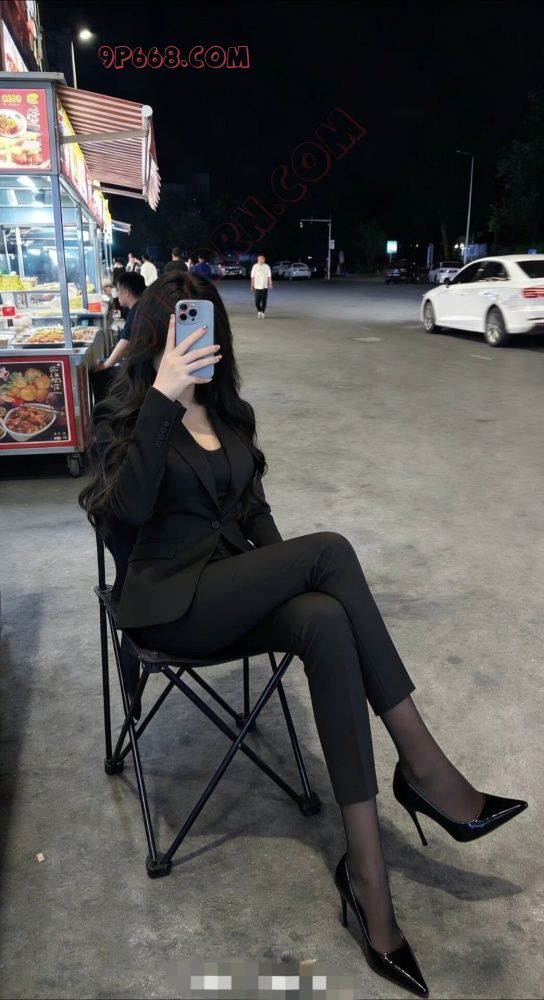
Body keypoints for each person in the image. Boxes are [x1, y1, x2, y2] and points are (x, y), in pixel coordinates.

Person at [80, 272, 527, 999]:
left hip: (229, 591)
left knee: (324, 614)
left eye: (208, 326)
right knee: (332, 552)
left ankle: (367, 879)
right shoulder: (123, 415)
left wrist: (292, 579)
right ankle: (425, 771)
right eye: (183, 326)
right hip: (168, 608)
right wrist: (164, 394)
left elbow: (255, 518)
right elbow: (125, 514)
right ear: (156, 336)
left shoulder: (230, 414)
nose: (199, 340)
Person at [93, 271, 145, 375]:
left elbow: (125, 344)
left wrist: (105, 365)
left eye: (118, 290)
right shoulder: (142, 305)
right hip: (142, 363)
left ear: (126, 292)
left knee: (98, 375)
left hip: (140, 370)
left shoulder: (136, 311)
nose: (116, 294)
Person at [250, 253, 272, 318]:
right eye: (259, 259)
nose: (261, 260)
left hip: (264, 287)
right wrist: (252, 285)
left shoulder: (267, 266)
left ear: (264, 260)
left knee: (264, 301)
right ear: (258, 259)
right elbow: (252, 277)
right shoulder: (255, 266)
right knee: (257, 301)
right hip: (257, 286)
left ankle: (263, 312)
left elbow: (269, 276)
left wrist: (270, 284)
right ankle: (259, 311)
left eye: (262, 259)